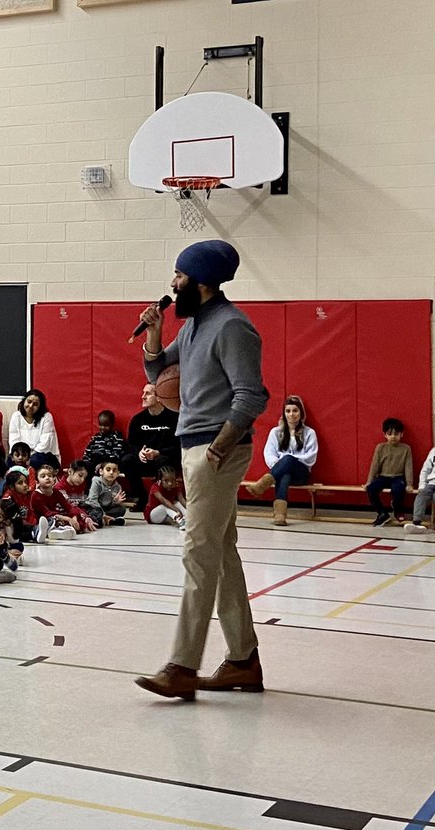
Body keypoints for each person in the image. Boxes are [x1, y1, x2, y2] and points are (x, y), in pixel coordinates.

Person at [134, 239, 269, 701]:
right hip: (195, 447)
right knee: (222, 555)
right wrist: (153, 334)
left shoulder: (232, 327)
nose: (172, 282)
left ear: (202, 280)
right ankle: (242, 660)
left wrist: (219, 447)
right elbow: (160, 375)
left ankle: (182, 666)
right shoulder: (194, 324)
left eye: (179, 274)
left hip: (214, 451)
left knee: (198, 553)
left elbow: (251, 395)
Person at [246, 394, 318, 526]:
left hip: (301, 473)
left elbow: (311, 456)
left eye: (295, 411)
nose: (291, 414)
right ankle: (280, 515)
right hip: (280, 472)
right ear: (284, 413)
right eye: (288, 411)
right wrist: (281, 464)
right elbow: (269, 453)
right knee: (284, 473)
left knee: (288, 460)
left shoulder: (309, 433)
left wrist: (288, 461)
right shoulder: (275, 432)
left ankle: (262, 485)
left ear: (301, 413)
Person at [120, 383, 182, 512]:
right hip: (145, 460)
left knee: (162, 461)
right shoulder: (138, 419)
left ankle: (161, 498)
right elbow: (130, 444)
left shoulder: (174, 418)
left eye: (148, 393)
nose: (143, 397)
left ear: (159, 397)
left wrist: (158, 452)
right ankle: (143, 498)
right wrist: (139, 453)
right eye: (143, 393)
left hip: (165, 459)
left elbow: (178, 446)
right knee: (127, 461)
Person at [364, 418, 414, 527]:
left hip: (398, 477)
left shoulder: (406, 448)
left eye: (396, 434)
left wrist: (409, 484)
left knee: (398, 490)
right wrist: (369, 481)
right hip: (383, 476)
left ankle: (397, 509)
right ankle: (382, 513)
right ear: (385, 435)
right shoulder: (380, 447)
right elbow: (375, 466)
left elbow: (408, 467)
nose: (393, 437)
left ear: (401, 434)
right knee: (371, 489)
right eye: (390, 434)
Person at [7, 390, 59, 470]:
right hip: (23, 454)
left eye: (35, 404)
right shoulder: (16, 416)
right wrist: (22, 455)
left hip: (42, 454)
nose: (30, 406)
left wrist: (28, 457)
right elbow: (14, 441)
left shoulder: (46, 417)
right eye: (29, 401)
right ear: (24, 401)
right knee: (10, 460)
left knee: (34, 461)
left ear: (40, 407)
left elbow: (45, 444)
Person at [83, 410, 129, 475]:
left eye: (106, 425)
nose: (102, 427)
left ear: (112, 424)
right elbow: (87, 454)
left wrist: (104, 464)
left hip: (110, 464)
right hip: (95, 464)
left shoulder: (117, 437)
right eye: (100, 425)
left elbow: (117, 455)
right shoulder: (95, 437)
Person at [86, 460, 127, 527]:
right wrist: (103, 514)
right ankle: (104, 519)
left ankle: (108, 520)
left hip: (106, 509)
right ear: (101, 472)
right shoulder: (96, 482)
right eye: (108, 470)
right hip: (94, 507)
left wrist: (115, 502)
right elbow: (92, 501)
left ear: (118, 473)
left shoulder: (118, 486)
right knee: (93, 512)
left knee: (121, 509)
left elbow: (109, 505)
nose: (111, 473)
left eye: (114, 471)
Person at [405, 446, 434, 534]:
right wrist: (422, 485)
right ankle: (416, 523)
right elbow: (425, 470)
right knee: (421, 496)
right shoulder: (433, 451)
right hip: (431, 483)